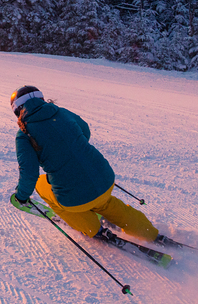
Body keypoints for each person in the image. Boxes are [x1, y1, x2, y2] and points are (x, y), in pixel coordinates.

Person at [9, 85, 165, 246]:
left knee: (41, 185)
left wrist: (21, 197)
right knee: (106, 203)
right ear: (41, 99)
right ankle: (149, 233)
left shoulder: (24, 134)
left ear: (17, 111)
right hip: (104, 178)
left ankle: (93, 229)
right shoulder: (61, 112)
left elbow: (29, 173)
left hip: (74, 196)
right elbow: (85, 131)